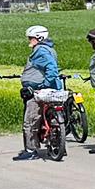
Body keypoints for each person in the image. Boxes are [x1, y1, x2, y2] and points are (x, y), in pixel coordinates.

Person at [13, 25, 62, 161]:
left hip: (37, 91)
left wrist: (42, 85)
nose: (29, 40)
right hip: (49, 90)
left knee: (30, 121)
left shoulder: (41, 50)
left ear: (39, 38)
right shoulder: (49, 49)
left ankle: (31, 150)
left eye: (31, 38)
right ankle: (57, 145)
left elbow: (51, 69)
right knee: (50, 119)